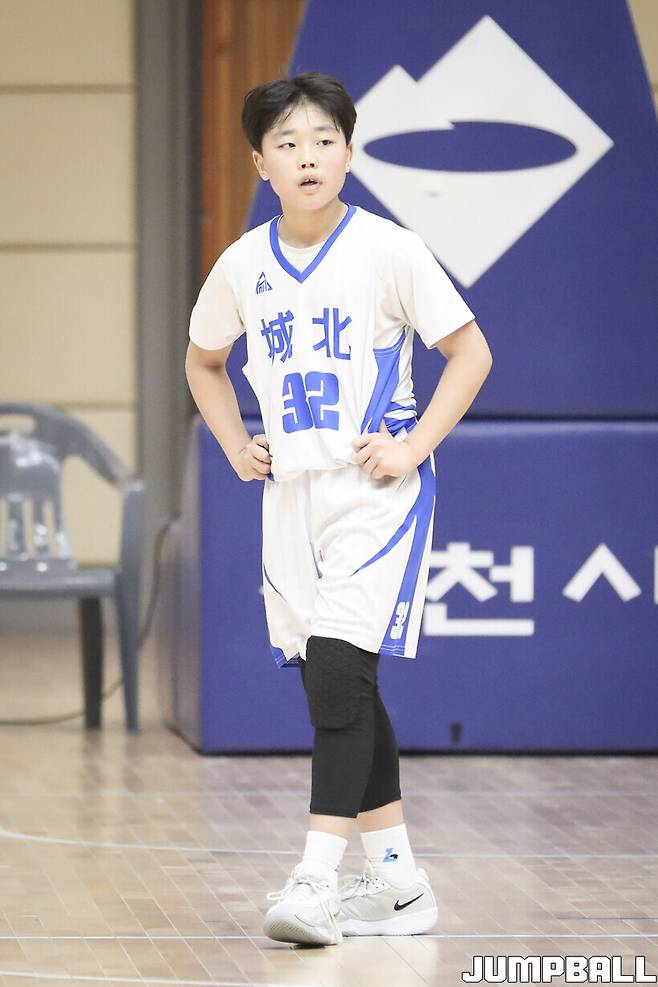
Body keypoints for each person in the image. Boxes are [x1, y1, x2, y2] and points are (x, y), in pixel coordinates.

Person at [185, 72, 493, 946]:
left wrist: (414, 444)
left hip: (373, 491)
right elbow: (203, 360)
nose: (308, 156)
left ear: (349, 153)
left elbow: (470, 351)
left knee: (336, 674)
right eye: (287, 143)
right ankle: (397, 883)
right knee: (337, 682)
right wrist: (233, 441)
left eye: (324, 140)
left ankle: (316, 878)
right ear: (261, 163)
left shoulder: (390, 249)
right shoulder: (242, 264)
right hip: (291, 494)